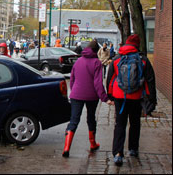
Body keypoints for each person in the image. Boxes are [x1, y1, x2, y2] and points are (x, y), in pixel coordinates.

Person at [106, 34, 156, 166]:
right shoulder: (143, 60)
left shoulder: (117, 59)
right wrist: (152, 99)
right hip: (136, 96)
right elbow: (150, 80)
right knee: (135, 123)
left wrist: (110, 95)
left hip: (120, 97)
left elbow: (110, 78)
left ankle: (117, 153)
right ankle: (133, 149)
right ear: (137, 45)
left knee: (120, 124)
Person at [62, 41, 114, 158]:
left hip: (76, 95)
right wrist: (105, 98)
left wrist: (73, 91)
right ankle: (92, 143)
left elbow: (72, 79)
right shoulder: (97, 63)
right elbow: (98, 83)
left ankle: (66, 148)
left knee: (74, 120)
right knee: (91, 119)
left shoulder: (78, 61)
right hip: (92, 96)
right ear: (96, 51)